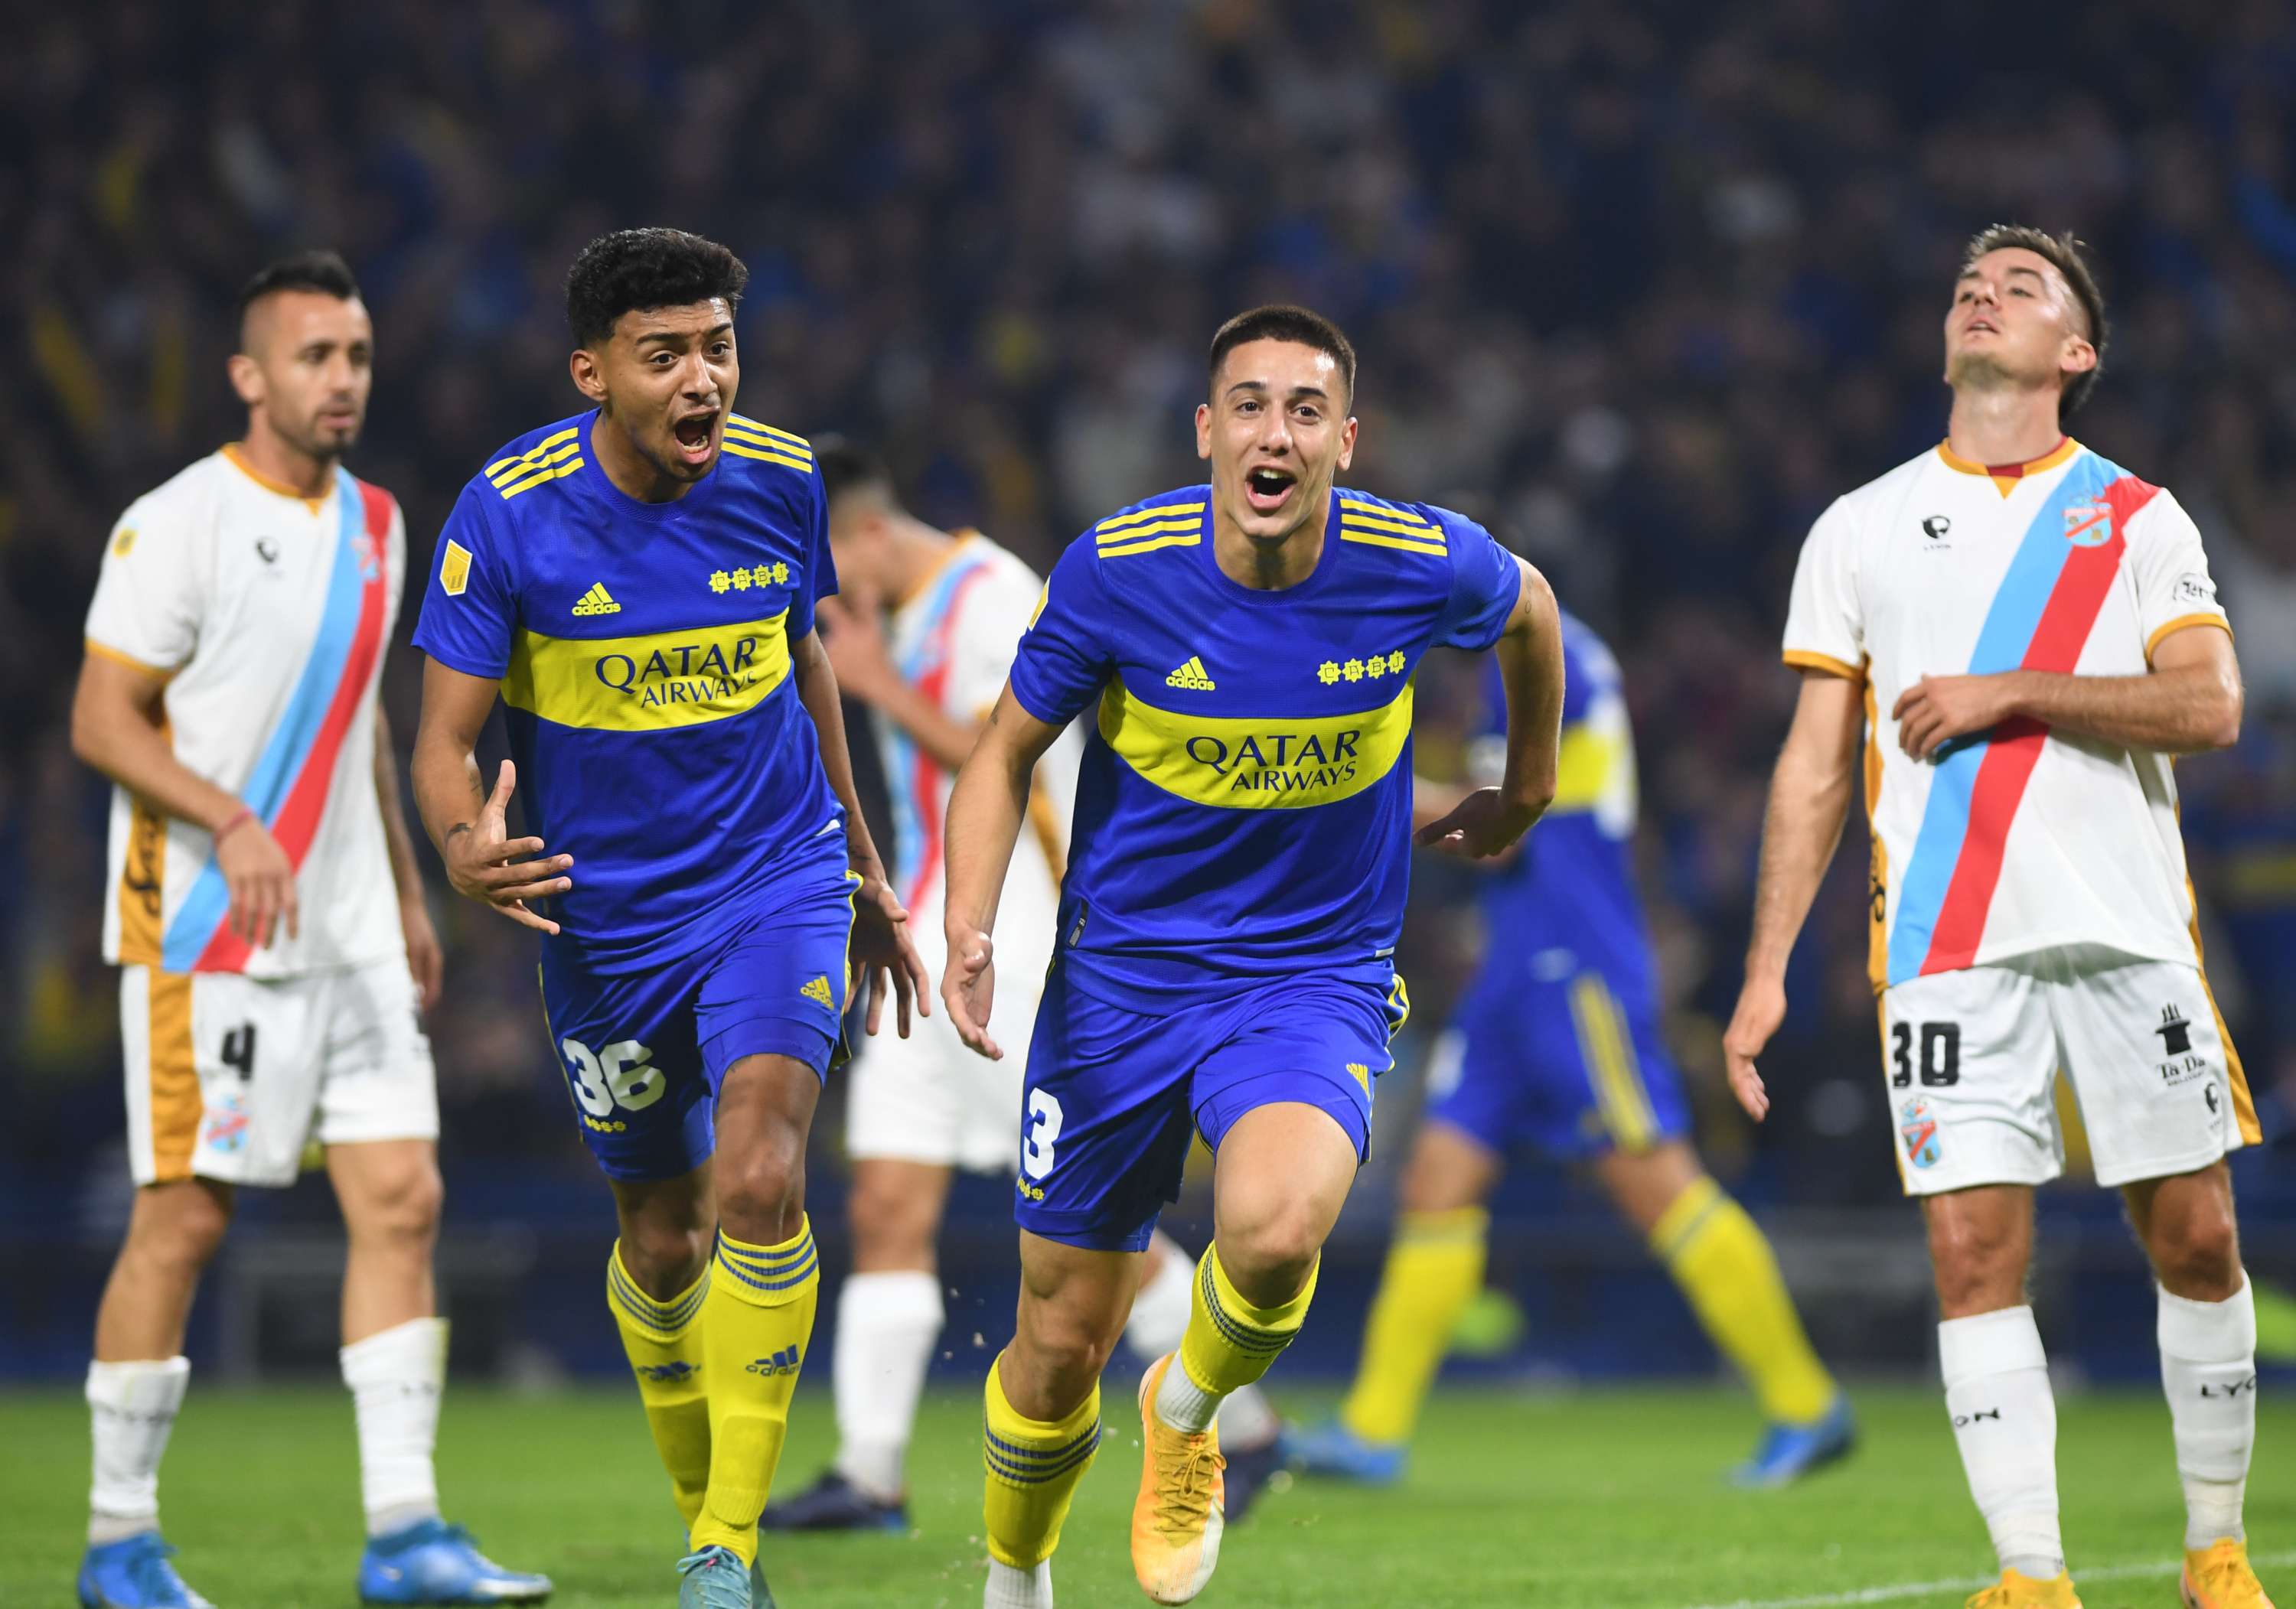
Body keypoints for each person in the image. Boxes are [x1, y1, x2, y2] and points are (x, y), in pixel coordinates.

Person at [938, 304, 1565, 1609]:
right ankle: (1017, 1576)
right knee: (1056, 1341)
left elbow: (1535, 612)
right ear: (1208, 431)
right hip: (1118, 988)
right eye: (1249, 404)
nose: (1273, 431)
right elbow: (1001, 752)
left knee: (1277, 1232)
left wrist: (1528, 789)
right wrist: (970, 921)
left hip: (1309, 975)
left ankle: (1186, 1406)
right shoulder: (1120, 568)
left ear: (1346, 437)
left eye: (1302, 408)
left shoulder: (1415, 560)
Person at [1724, 226, 2270, 1609]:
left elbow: (2210, 705)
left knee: (2196, 1232)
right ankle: (2033, 1575)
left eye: (2024, 287)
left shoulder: (2138, 518)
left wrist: (2013, 688)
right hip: (1944, 949)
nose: (1985, 290)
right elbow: (1810, 764)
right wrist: (1766, 969)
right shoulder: (1857, 523)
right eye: (1972, 279)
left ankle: (2217, 1551)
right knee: (1971, 1251)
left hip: (2125, 931)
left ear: (2075, 354)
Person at [408, 229, 926, 1609]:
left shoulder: (782, 476)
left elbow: (806, 657)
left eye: (719, 347)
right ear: (595, 372)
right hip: (605, 925)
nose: (704, 379)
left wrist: (868, 869)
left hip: (778, 879)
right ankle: (709, 1504)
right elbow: (441, 739)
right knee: (661, 1234)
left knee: (761, 1177)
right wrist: (463, 845)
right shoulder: (506, 513)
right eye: (666, 356)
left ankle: (725, 1549)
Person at [69, 251, 549, 1609]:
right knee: (186, 1220)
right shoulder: (177, 522)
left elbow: (366, 725)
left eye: (356, 356)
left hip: (346, 925)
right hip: (210, 927)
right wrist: (226, 817)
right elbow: (101, 718)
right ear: (250, 375)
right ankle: (117, 1543)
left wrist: (403, 882)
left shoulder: (385, 523)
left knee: (406, 1199)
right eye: (314, 357)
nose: (341, 380)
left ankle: (405, 1534)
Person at [757, 444, 1283, 1533]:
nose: (820, 600)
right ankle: (870, 1471)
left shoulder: (992, 595)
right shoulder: (893, 615)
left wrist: (877, 688)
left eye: (824, 568)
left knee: (1090, 1221)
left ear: (861, 535)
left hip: (1018, 938)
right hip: (924, 937)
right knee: (887, 1202)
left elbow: (1020, 760)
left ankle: (1245, 1421)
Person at [1285, 609, 1852, 1490]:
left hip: (1576, 966)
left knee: (1653, 1180)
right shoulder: (1519, 669)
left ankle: (1807, 1404)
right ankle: (1374, 1432)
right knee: (1438, 1178)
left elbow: (1501, 827)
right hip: (1512, 972)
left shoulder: (1552, 665)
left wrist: (1347, 797)